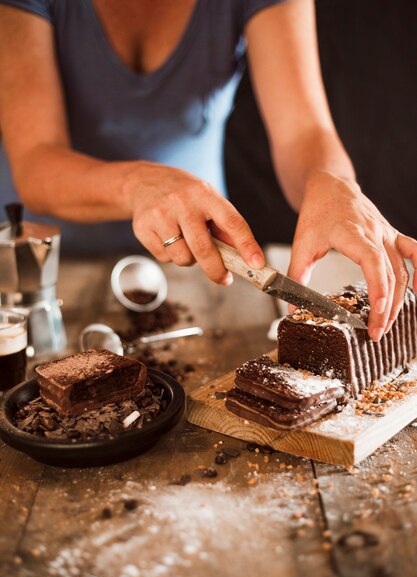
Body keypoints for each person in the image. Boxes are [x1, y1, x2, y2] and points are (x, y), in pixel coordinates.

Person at [0, 0, 416, 343]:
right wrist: (140, 183)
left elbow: (302, 131)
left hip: (202, 266)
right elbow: (36, 162)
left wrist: (333, 183)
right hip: (40, 280)